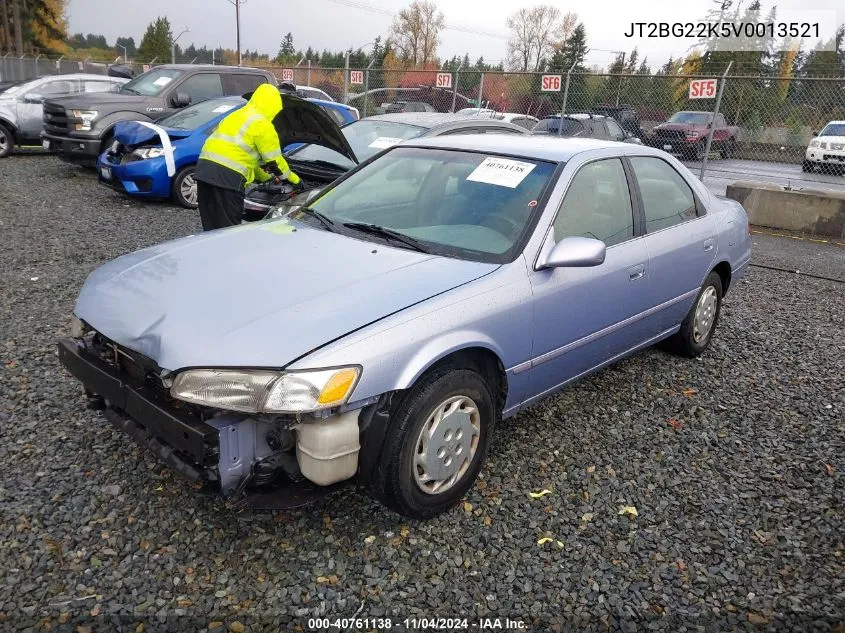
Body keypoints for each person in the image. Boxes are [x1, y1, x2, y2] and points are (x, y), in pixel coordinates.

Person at [195, 83, 300, 230]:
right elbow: (275, 162)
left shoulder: (236, 116)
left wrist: (266, 178)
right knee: (228, 230)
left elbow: (244, 158)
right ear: (274, 106)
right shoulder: (263, 124)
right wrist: (295, 180)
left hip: (203, 172)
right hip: (227, 179)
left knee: (211, 226)